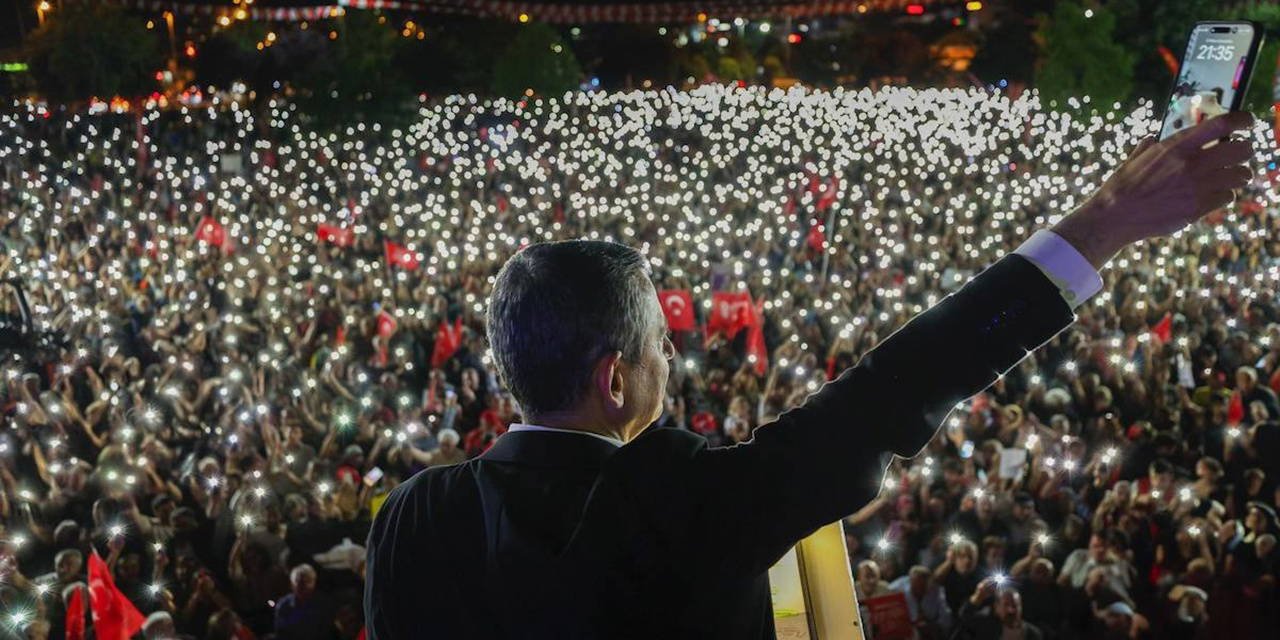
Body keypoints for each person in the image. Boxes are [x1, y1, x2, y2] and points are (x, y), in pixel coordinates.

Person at [364, 112, 1258, 637]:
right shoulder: (681, 500)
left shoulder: (414, 516)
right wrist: (1103, 221)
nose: (676, 357)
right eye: (661, 346)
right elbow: (897, 386)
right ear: (614, 380)